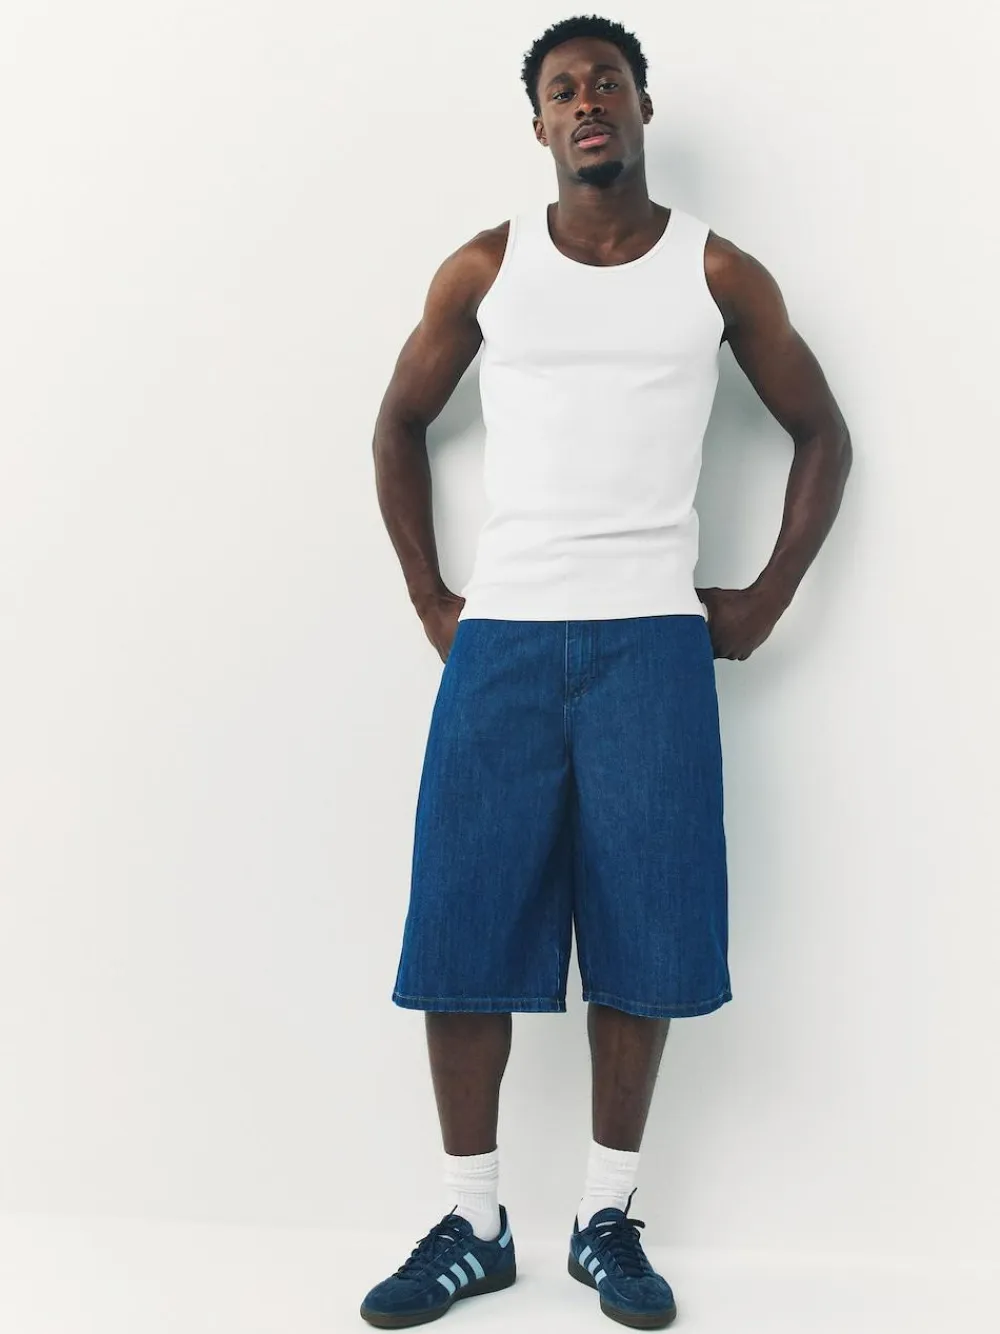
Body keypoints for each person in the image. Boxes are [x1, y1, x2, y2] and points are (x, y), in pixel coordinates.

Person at [363, 14, 852, 1330]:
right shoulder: (489, 267)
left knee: (647, 927)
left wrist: (763, 597)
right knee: (463, 921)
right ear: (538, 124)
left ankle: (605, 1218)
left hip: (653, 642)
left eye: (609, 83)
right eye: (564, 89)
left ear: (642, 107)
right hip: (506, 640)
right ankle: (474, 1223)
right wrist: (433, 600)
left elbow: (822, 431)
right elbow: (398, 422)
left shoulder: (715, 271)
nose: (588, 102)